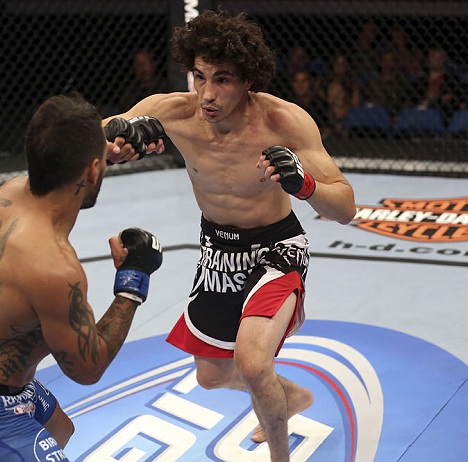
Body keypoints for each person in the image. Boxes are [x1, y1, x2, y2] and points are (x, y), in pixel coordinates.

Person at [103, 10, 355, 462]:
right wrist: (117, 141)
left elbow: (346, 207)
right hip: (217, 251)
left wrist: (304, 185)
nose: (207, 93)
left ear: (248, 81)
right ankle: (291, 396)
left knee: (253, 362)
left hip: (277, 248)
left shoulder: (284, 122)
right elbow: (93, 140)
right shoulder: (173, 111)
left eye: (223, 79)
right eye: (199, 76)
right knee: (211, 376)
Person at [0, 93, 163, 461]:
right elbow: (88, 369)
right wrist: (132, 282)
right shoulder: (53, 268)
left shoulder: (5, 197)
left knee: (60, 430)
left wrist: (104, 154)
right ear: (90, 171)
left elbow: (54, 160)